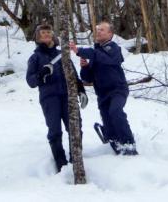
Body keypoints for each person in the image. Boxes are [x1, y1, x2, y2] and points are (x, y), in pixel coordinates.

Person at [26, 24, 88, 172]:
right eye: (43, 32)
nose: (47, 34)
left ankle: (76, 160)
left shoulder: (63, 54)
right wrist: (42, 73)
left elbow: (73, 74)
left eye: (49, 32)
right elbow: (30, 81)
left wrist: (81, 91)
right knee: (54, 131)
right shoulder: (35, 58)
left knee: (76, 127)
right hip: (49, 98)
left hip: (68, 96)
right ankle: (61, 165)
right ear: (38, 37)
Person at [70, 21, 137, 156]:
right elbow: (88, 78)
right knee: (107, 117)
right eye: (97, 30)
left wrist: (80, 51)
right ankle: (115, 141)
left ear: (110, 34)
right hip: (102, 93)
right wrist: (85, 67)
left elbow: (108, 60)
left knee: (115, 111)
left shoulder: (113, 48)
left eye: (102, 30)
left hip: (117, 89)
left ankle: (129, 143)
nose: (98, 32)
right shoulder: (96, 53)